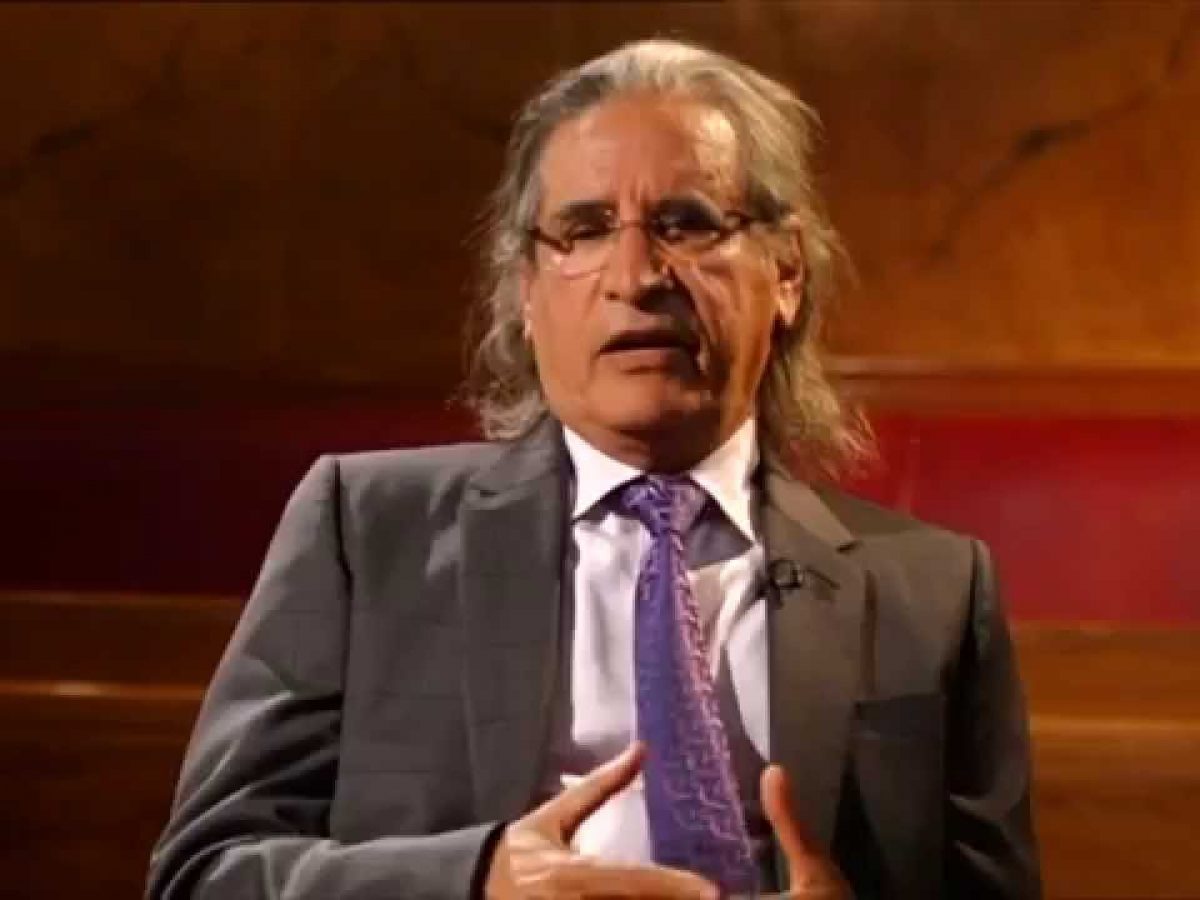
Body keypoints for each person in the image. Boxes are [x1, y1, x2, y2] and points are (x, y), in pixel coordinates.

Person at [147, 38, 1041, 899]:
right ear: (526, 292)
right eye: (583, 229)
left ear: (786, 272)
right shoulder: (366, 531)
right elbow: (205, 875)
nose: (636, 275)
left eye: (686, 223)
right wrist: (474, 881)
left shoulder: (935, 593)